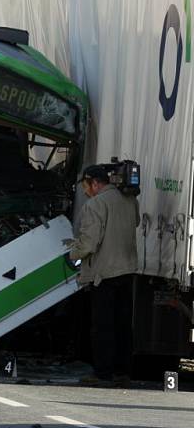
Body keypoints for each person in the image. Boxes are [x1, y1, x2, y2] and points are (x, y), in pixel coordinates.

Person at [66, 164, 140, 388]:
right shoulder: (130, 200)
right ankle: (122, 371)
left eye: (87, 186)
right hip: (127, 270)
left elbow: (89, 242)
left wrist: (73, 252)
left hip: (104, 273)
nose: (86, 191)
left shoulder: (95, 204)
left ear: (95, 183)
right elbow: (135, 222)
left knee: (103, 326)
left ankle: (103, 373)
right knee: (123, 324)